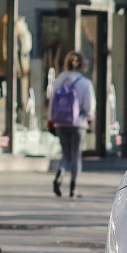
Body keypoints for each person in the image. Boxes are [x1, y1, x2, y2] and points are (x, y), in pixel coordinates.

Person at [48, 52, 96, 198]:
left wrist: (51, 120)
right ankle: (73, 187)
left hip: (61, 122)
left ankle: (59, 176)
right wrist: (89, 118)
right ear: (82, 65)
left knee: (65, 154)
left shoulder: (58, 81)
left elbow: (51, 102)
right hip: (78, 123)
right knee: (76, 155)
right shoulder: (85, 83)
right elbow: (89, 107)